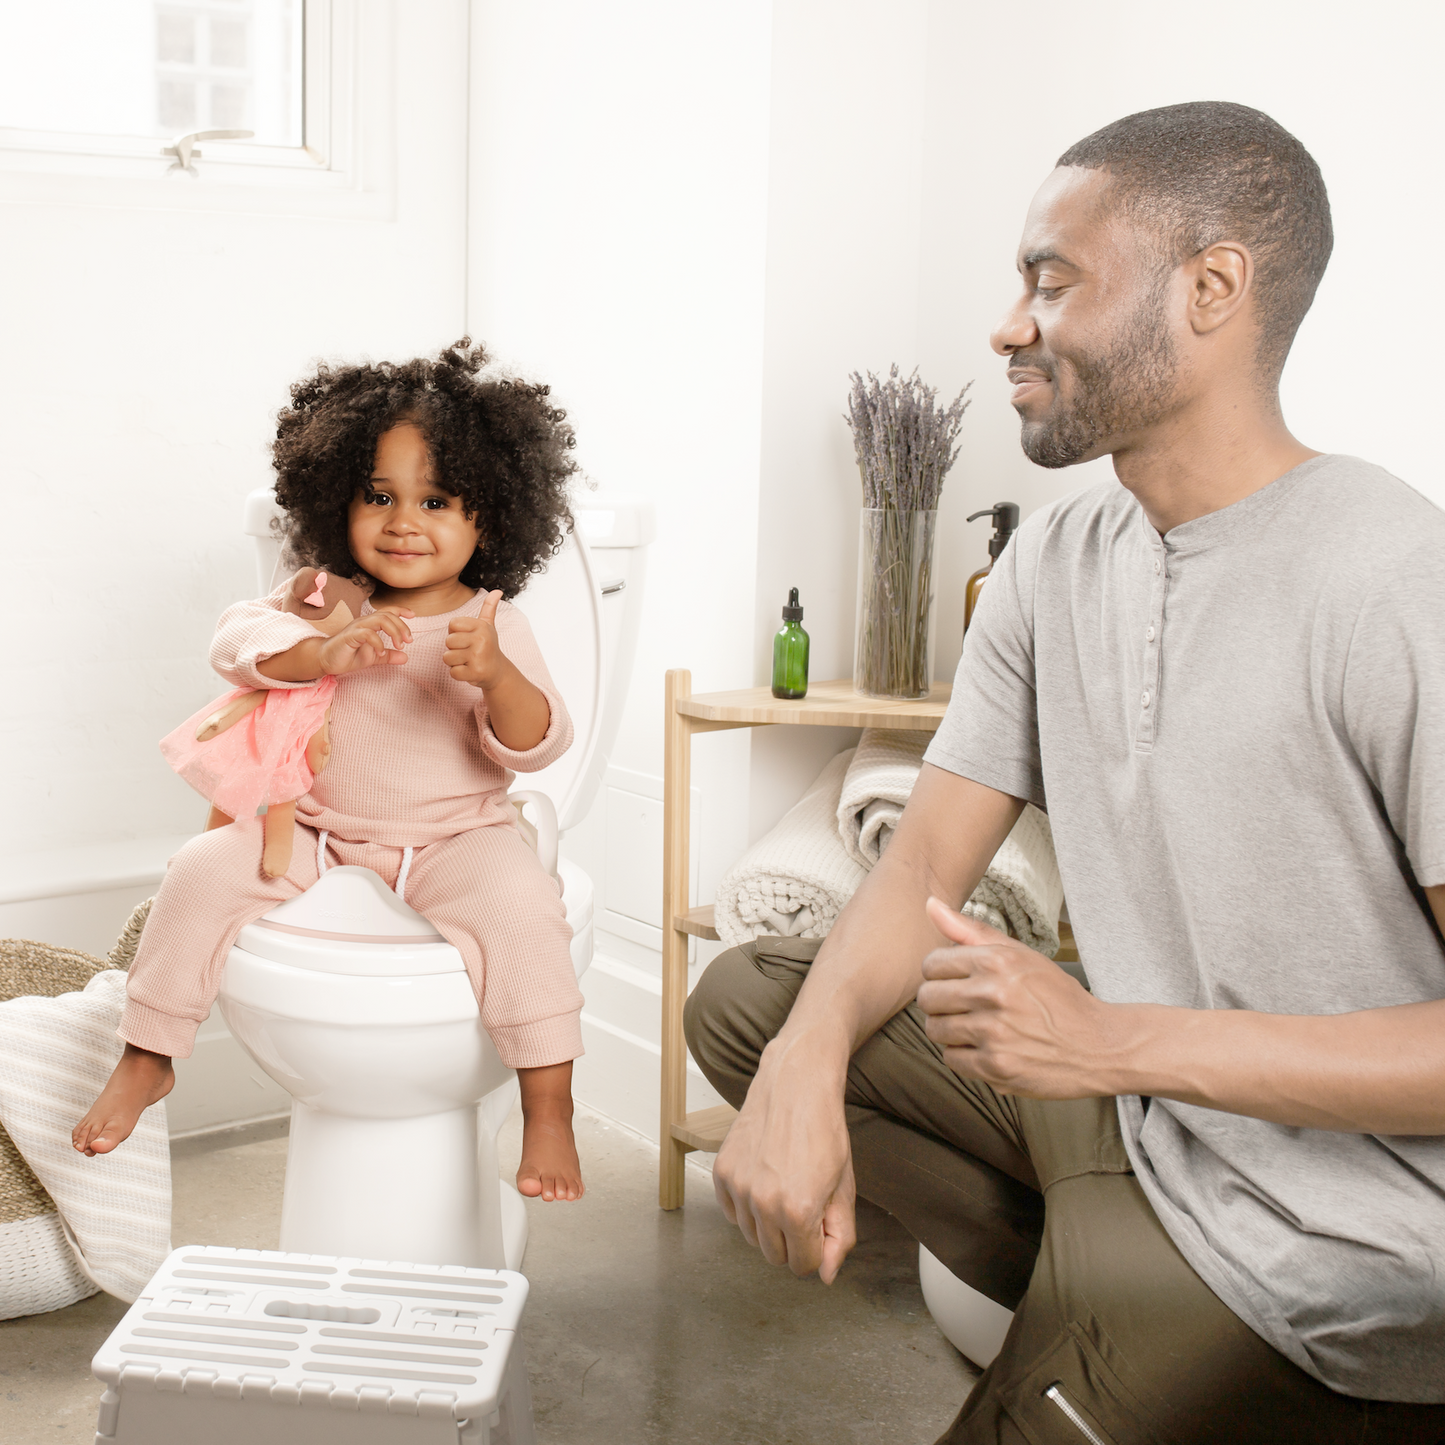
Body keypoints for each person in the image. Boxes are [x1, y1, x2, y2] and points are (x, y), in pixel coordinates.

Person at [686, 102, 1445, 1440]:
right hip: (1139, 1121)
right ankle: (1093, 1285)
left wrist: (1107, 1036)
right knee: (754, 1002)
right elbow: (923, 861)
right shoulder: (1054, 558)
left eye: (1051, 279)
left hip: (1341, 1234)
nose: (1006, 324)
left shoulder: (1392, 581)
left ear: (1211, 289)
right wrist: (805, 1067)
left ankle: (1145, 1330)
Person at [73, 341, 587, 1204]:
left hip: (454, 836)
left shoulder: (488, 622)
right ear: (337, 497)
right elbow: (235, 642)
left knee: (522, 909)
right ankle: (148, 1053)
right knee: (197, 870)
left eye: (435, 500)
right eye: (378, 496)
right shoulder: (324, 595)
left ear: (490, 519)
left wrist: (494, 673)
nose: (402, 521)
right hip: (313, 829)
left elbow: (540, 739)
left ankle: (548, 1106)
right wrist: (322, 648)